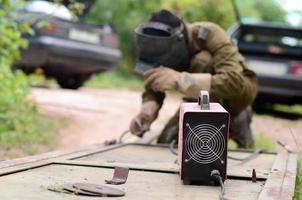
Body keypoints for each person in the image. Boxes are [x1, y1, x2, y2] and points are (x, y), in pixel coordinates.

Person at [129, 9, 257, 148]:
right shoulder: (160, 46)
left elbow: (235, 83)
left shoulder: (209, 33)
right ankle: (199, 124)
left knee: (202, 61)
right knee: (166, 144)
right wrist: (148, 109)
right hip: (196, 101)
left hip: (239, 95)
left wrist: (180, 80)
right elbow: (155, 79)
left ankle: (236, 118)